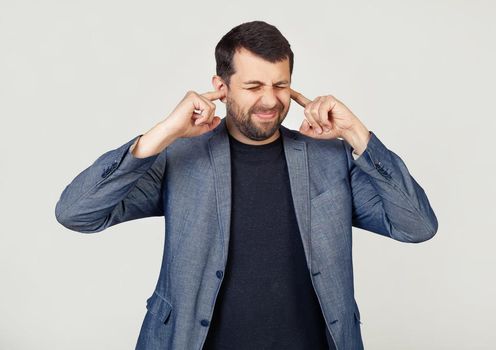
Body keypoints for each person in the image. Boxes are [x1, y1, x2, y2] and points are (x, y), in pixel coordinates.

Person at [54, 20, 438, 350]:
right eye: (254, 86)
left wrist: (357, 134)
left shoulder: (330, 158)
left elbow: (417, 226)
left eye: (281, 85)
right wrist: (164, 132)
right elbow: (77, 213)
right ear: (221, 87)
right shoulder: (180, 157)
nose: (270, 100)